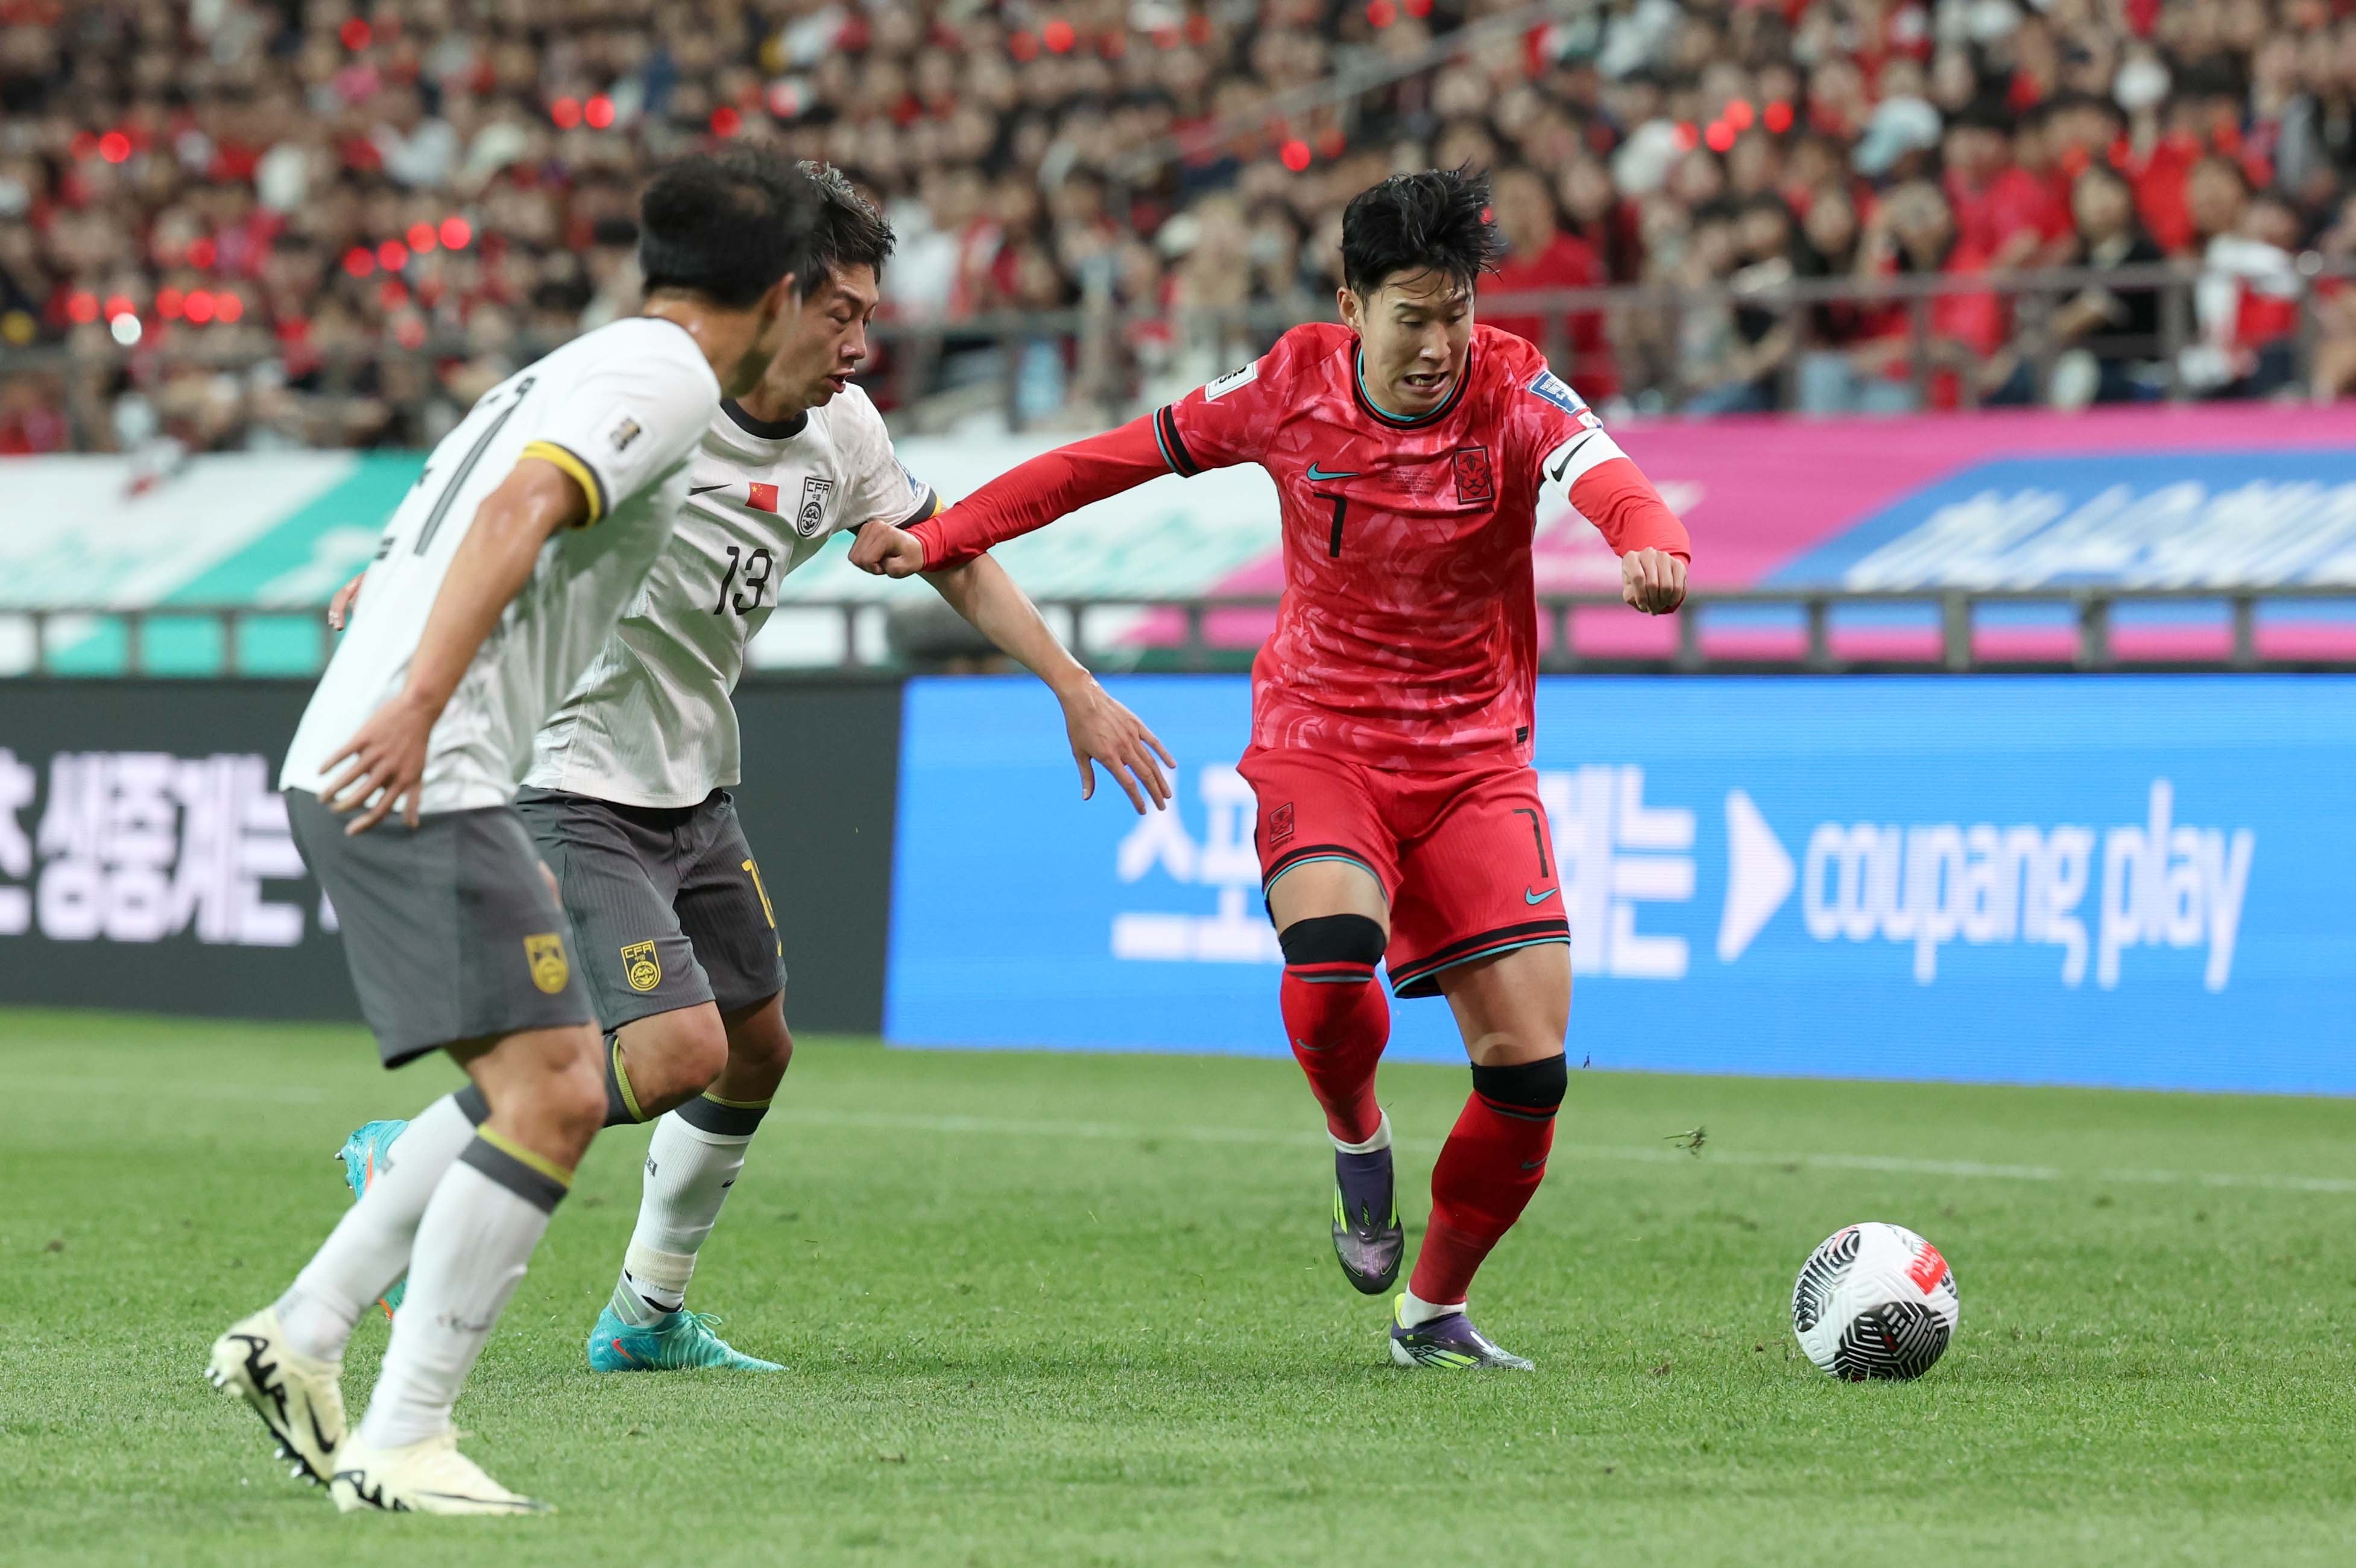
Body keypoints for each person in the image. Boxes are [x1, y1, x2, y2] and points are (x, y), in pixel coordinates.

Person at [330, 165, 1173, 1376]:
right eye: (840, 313)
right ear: (774, 299)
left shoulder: (843, 432)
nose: (860, 343)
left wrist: (1072, 684)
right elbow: (491, 484)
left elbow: (952, 552)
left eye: (872, 316)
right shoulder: (648, 397)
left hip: (691, 781)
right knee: (677, 1052)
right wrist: (387, 578)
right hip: (569, 771)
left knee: (758, 1044)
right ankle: (406, 1154)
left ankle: (646, 1310)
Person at [850, 168, 1690, 1370]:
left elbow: (1605, 475)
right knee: (1334, 952)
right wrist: (941, 536)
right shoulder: (1288, 384)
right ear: (1351, 305)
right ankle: (1357, 1131)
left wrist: (1649, 539)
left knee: (1529, 1068)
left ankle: (1433, 1313)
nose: (1439, 344)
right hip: (1323, 735)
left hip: (1472, 760)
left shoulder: (1510, 382)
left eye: (1454, 312)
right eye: (1412, 316)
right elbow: (1104, 464)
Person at [204, 148, 817, 1515]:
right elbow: (519, 505)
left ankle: (301, 1332)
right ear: (777, 295)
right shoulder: (667, 384)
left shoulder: (577, 365)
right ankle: (403, 1436)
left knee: (538, 1079)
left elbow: (457, 511)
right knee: (557, 1091)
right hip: (428, 760)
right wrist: (425, 698)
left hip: (399, 752)